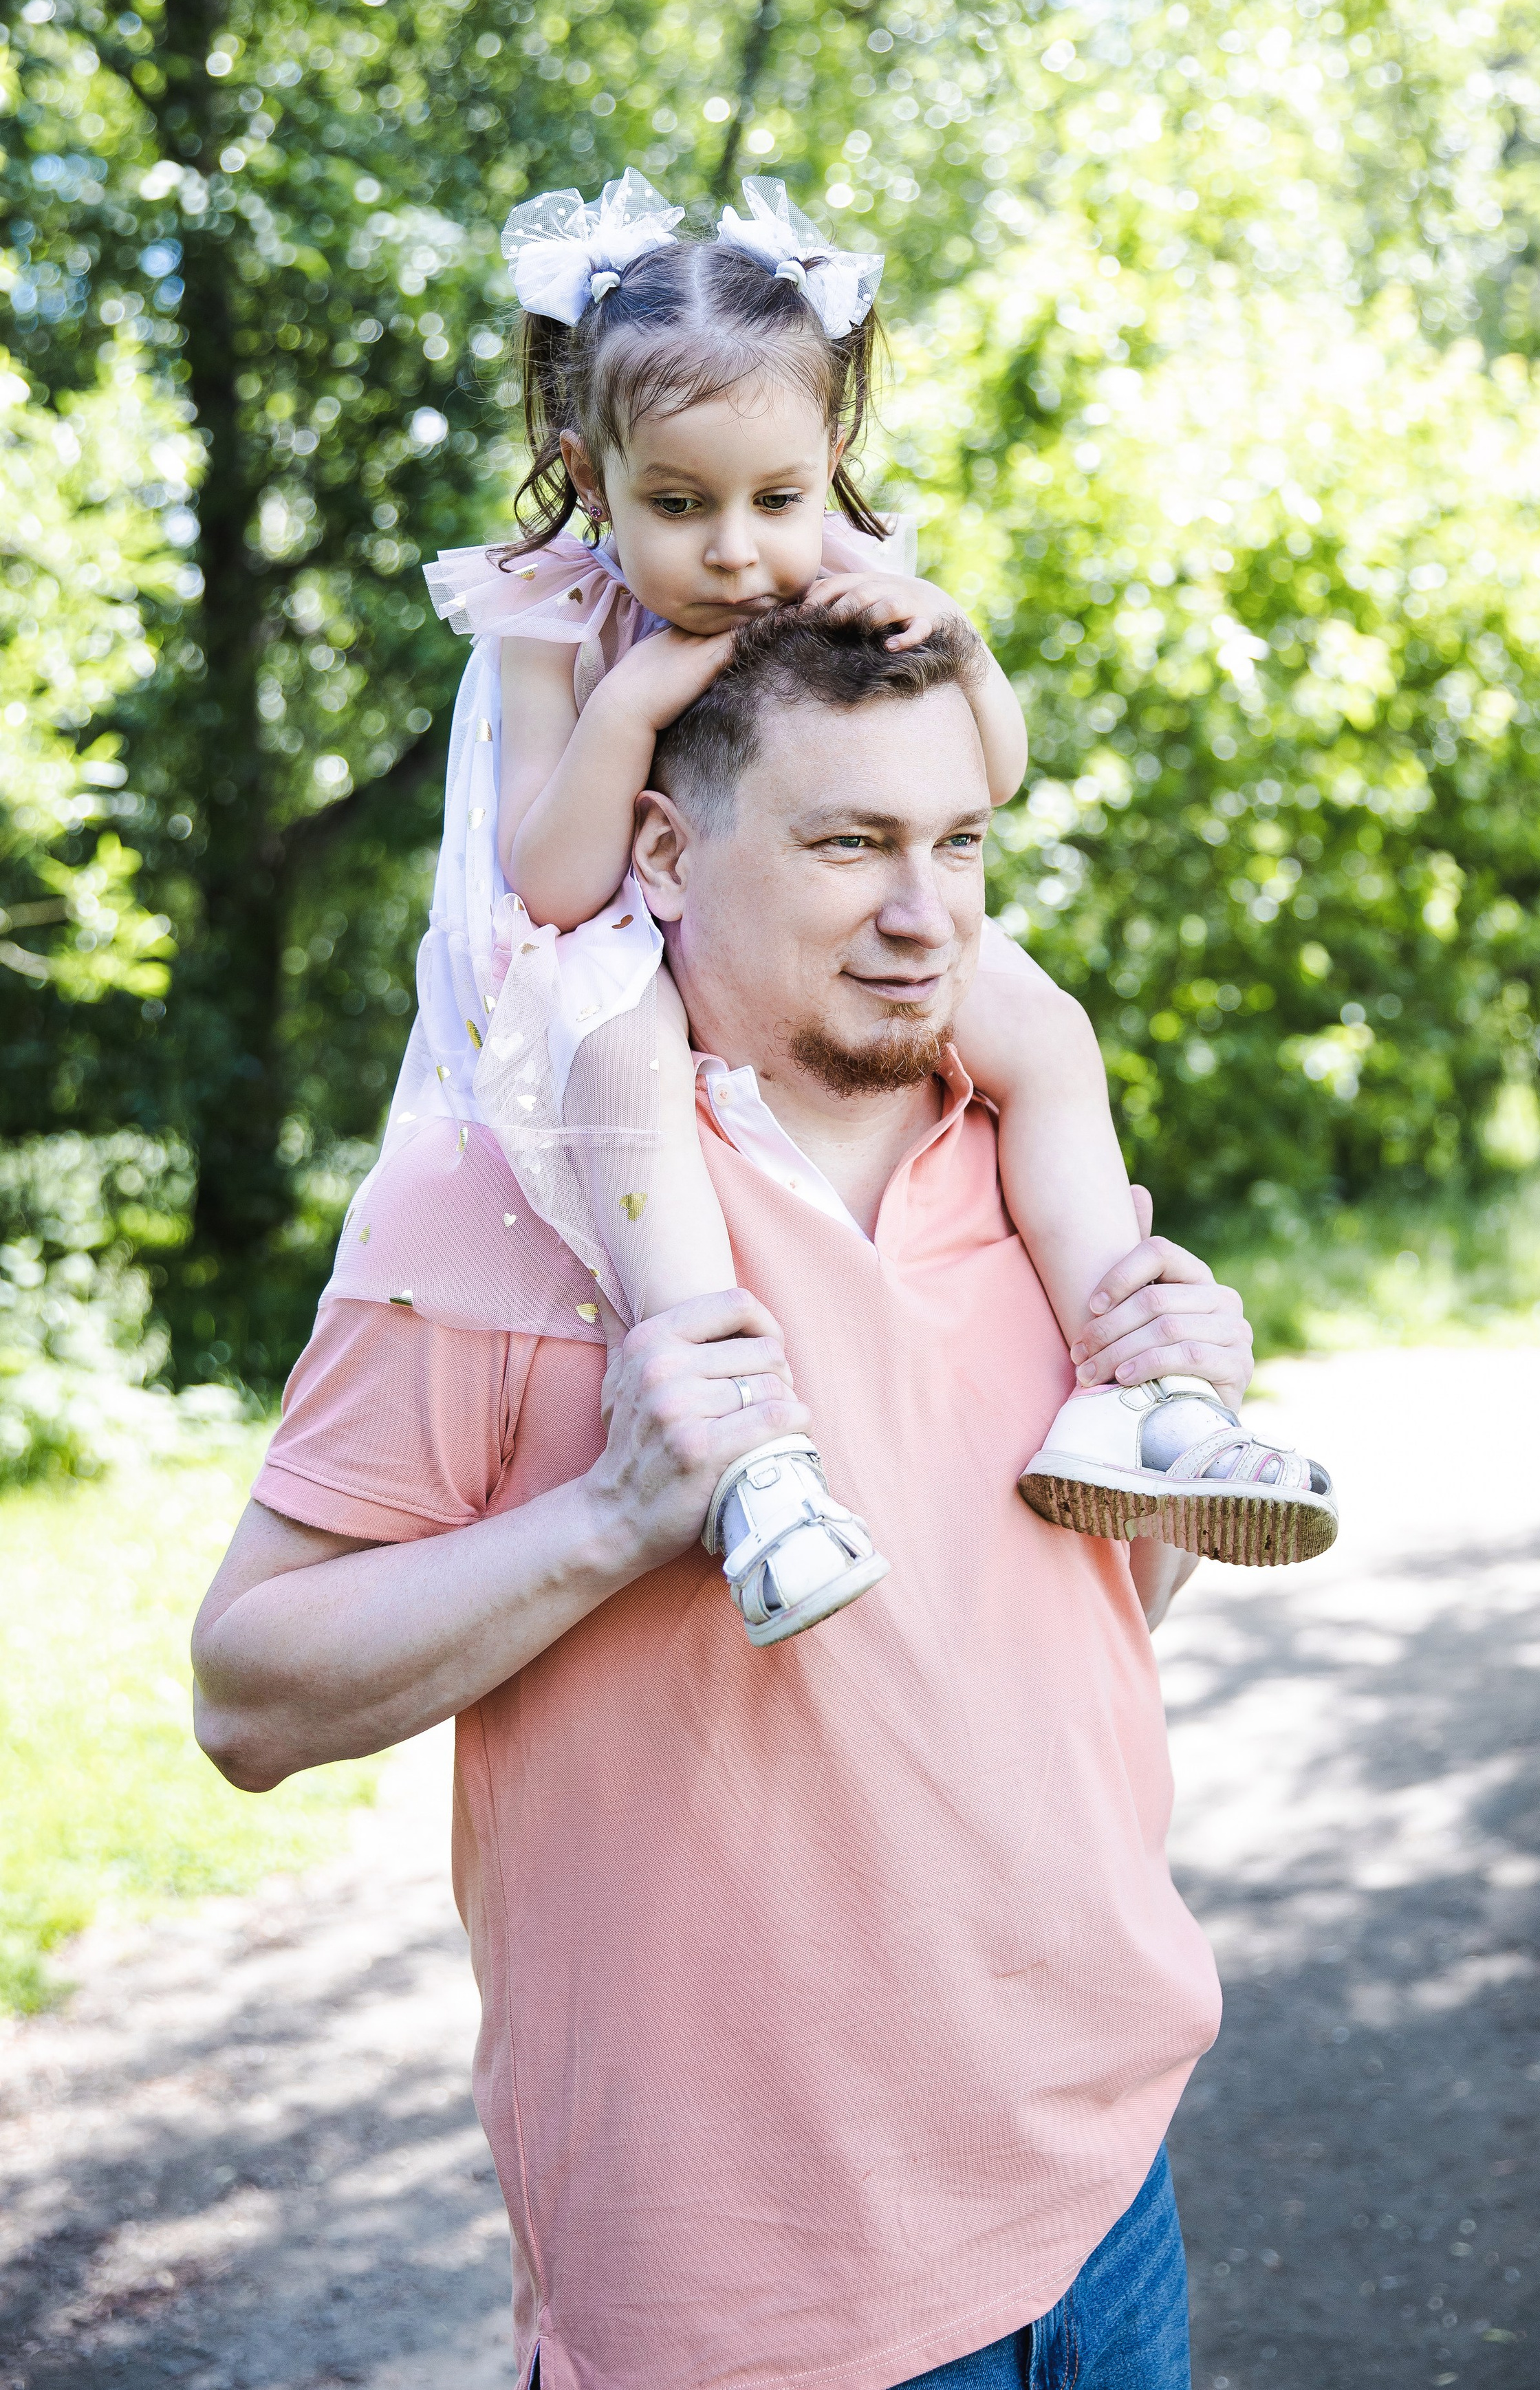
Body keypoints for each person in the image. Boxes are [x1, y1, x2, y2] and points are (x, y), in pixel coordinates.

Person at [192, 604, 1248, 2389]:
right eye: (850, 845)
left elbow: (1094, 1622)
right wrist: (613, 1516)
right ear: (667, 857)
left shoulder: (1027, 1162)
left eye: (958, 844)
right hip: (756, 2298)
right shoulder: (501, 1199)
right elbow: (247, 1697)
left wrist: (1169, 1422)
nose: (927, 912)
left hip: (1103, 2190)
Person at [339, 167, 1334, 1651]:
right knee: (628, 1067)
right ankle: (749, 1454)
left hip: (802, 933)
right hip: (608, 956)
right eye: (679, 506)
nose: (738, 551)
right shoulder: (554, 619)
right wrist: (636, 699)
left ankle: (1137, 1387)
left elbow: (991, 772)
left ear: (831, 462)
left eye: (777, 499)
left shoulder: (847, 573)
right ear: (592, 474)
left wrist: (961, 645)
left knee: (1045, 1031)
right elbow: (549, 883)